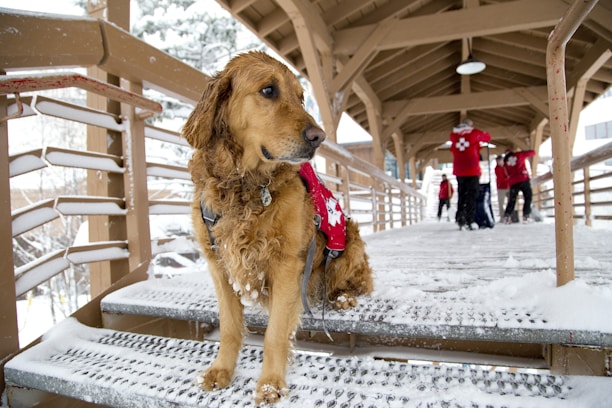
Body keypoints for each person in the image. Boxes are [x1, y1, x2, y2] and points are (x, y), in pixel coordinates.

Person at [449, 118, 491, 230]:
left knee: (462, 193)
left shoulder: (454, 135)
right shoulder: (474, 133)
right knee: (472, 195)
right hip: (472, 169)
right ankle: (470, 219)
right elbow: (487, 137)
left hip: (459, 169)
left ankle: (460, 218)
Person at [502, 149, 536, 223]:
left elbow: (506, 173)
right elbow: (533, 152)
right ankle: (526, 216)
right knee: (528, 197)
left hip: (513, 182)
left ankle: (507, 216)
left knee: (512, 199)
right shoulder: (519, 155)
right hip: (523, 178)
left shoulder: (506, 161)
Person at [494, 155, 509, 220]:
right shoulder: (497, 169)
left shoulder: (506, 167)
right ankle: (502, 216)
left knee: (511, 201)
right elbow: (501, 178)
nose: (499, 162)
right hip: (501, 187)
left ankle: (509, 215)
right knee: (501, 202)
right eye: (498, 161)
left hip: (509, 186)